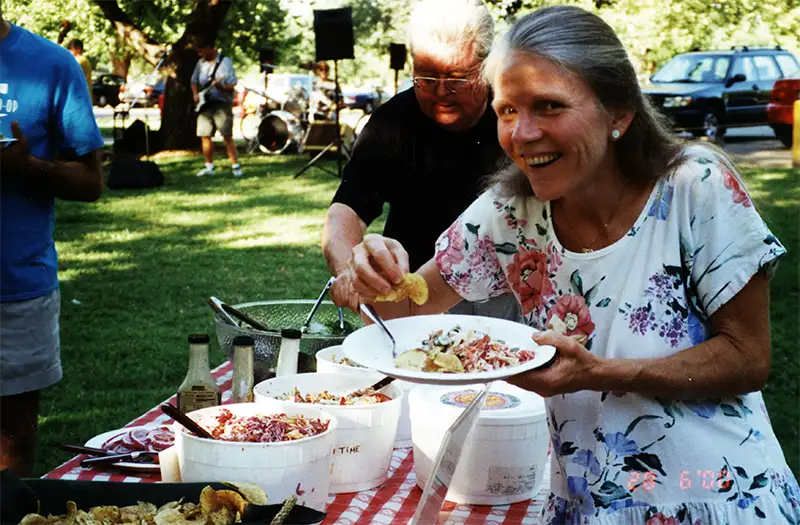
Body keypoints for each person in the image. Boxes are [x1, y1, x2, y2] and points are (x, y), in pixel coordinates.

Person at [346, 6, 800, 524]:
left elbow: (748, 358)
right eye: (507, 110)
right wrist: (372, 271)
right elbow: (404, 309)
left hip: (720, 499)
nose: (521, 134)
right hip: (583, 508)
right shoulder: (506, 213)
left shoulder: (695, 186)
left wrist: (601, 374)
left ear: (619, 112)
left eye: (548, 106)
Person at [321, 0, 520, 322]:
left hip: (505, 293)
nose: (441, 92)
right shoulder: (392, 122)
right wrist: (350, 271)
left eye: (456, 78)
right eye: (426, 78)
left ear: (486, 67)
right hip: (412, 296)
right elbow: (345, 213)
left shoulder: (516, 119)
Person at [0, 15, 104, 477]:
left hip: (15, 287)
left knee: (11, 442)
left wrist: (26, 167)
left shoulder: (51, 64)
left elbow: (91, 181)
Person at [191, 37, 242, 177]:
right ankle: (209, 166)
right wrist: (195, 94)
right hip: (205, 104)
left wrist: (221, 87)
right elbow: (194, 81)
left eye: (202, 52)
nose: (200, 55)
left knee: (227, 135)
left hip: (221, 104)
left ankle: (235, 166)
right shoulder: (200, 64)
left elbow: (232, 85)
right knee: (204, 135)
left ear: (210, 49)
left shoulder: (225, 63)